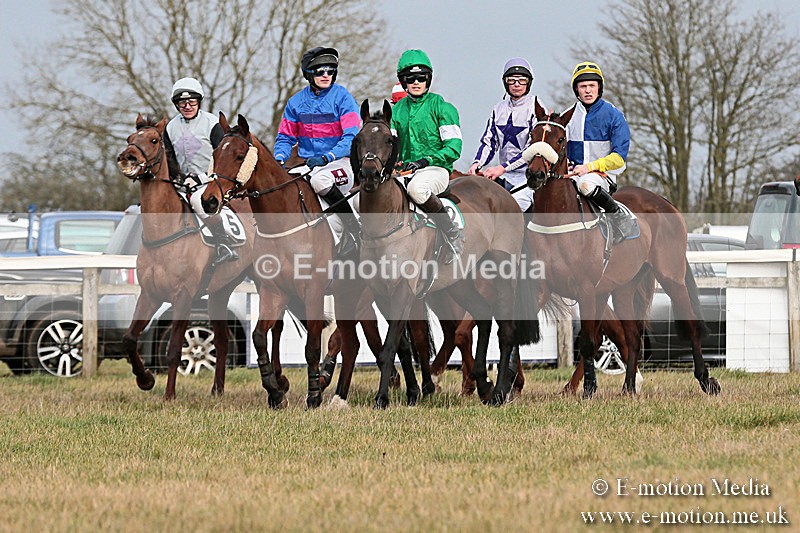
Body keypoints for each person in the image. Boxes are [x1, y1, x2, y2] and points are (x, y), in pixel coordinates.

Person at [273, 47, 361, 258]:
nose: (325, 75)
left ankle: (354, 232)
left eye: (330, 71)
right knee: (285, 186)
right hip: (309, 165)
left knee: (321, 180)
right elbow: (285, 138)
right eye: (320, 71)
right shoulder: (295, 103)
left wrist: (328, 157)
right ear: (308, 74)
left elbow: (352, 137)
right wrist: (279, 158)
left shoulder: (343, 98)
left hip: (341, 163)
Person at [390, 49, 464, 264]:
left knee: (417, 189)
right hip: (405, 170)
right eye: (410, 79)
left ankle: (452, 233)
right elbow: (392, 146)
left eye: (421, 78)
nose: (416, 82)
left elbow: (454, 148)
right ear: (403, 82)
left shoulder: (442, 107)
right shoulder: (396, 111)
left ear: (428, 79)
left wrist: (426, 160)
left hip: (436, 169)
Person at [164, 77, 238, 265]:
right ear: (176, 104)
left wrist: (202, 178)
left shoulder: (213, 124)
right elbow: (170, 159)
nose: (187, 106)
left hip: (209, 181)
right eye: (182, 102)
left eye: (192, 101)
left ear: (199, 102)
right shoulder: (170, 127)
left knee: (198, 201)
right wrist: (177, 179)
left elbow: (224, 159)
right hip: (181, 182)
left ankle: (223, 243)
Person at [566, 61, 637, 244]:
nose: (588, 90)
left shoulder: (614, 115)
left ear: (599, 88)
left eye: (592, 86)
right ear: (577, 90)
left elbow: (619, 159)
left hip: (601, 176)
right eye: (583, 86)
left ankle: (618, 215)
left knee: (585, 185)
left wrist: (590, 167)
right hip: (572, 175)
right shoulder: (568, 116)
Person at [468, 57, 536, 212]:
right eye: (512, 80)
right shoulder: (498, 108)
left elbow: (531, 149)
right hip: (504, 175)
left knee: (513, 206)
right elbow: (489, 142)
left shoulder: (536, 107)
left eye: (522, 80)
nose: (517, 84)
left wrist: (502, 168)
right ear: (505, 82)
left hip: (527, 177)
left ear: (529, 82)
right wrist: (477, 163)